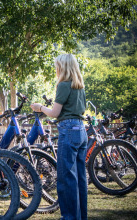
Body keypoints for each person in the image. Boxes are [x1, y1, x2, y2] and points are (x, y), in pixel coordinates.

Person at [31, 54, 88, 220]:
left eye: (57, 66)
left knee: (66, 178)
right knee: (80, 178)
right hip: (81, 131)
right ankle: (80, 217)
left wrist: (40, 107)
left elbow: (55, 113)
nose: (56, 69)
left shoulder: (64, 85)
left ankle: (69, 217)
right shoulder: (80, 86)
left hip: (68, 130)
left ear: (62, 67)